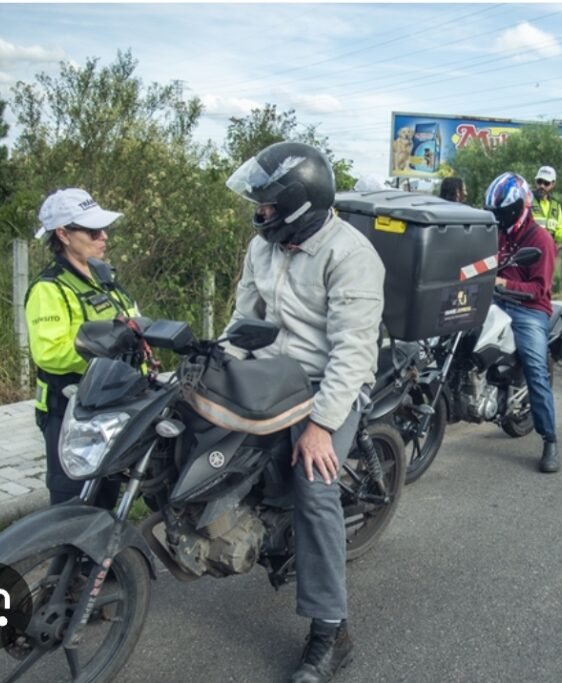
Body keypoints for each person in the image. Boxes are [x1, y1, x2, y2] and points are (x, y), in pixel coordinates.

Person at [224, 141, 385, 683]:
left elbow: (353, 353)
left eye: (268, 204)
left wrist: (320, 427)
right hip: (273, 378)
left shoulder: (351, 255)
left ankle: (330, 630)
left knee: (315, 487)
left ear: (298, 202)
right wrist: (212, 368)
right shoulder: (262, 247)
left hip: (327, 387)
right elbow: (244, 322)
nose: (260, 212)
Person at [25, 188, 140, 505]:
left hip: (109, 404)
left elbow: (134, 326)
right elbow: (49, 352)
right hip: (69, 410)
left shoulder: (105, 279)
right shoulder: (49, 289)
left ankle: (104, 555)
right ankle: (70, 555)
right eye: (92, 230)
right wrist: (108, 347)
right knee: (74, 503)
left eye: (103, 229)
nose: (103, 236)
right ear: (63, 234)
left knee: (105, 496)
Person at [484, 172, 561, 473]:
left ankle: (550, 439)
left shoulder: (540, 239)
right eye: (496, 212)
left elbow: (539, 290)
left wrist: (505, 284)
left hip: (529, 311)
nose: (499, 217)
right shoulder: (499, 234)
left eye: (503, 212)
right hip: (495, 301)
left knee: (535, 368)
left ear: (520, 207)